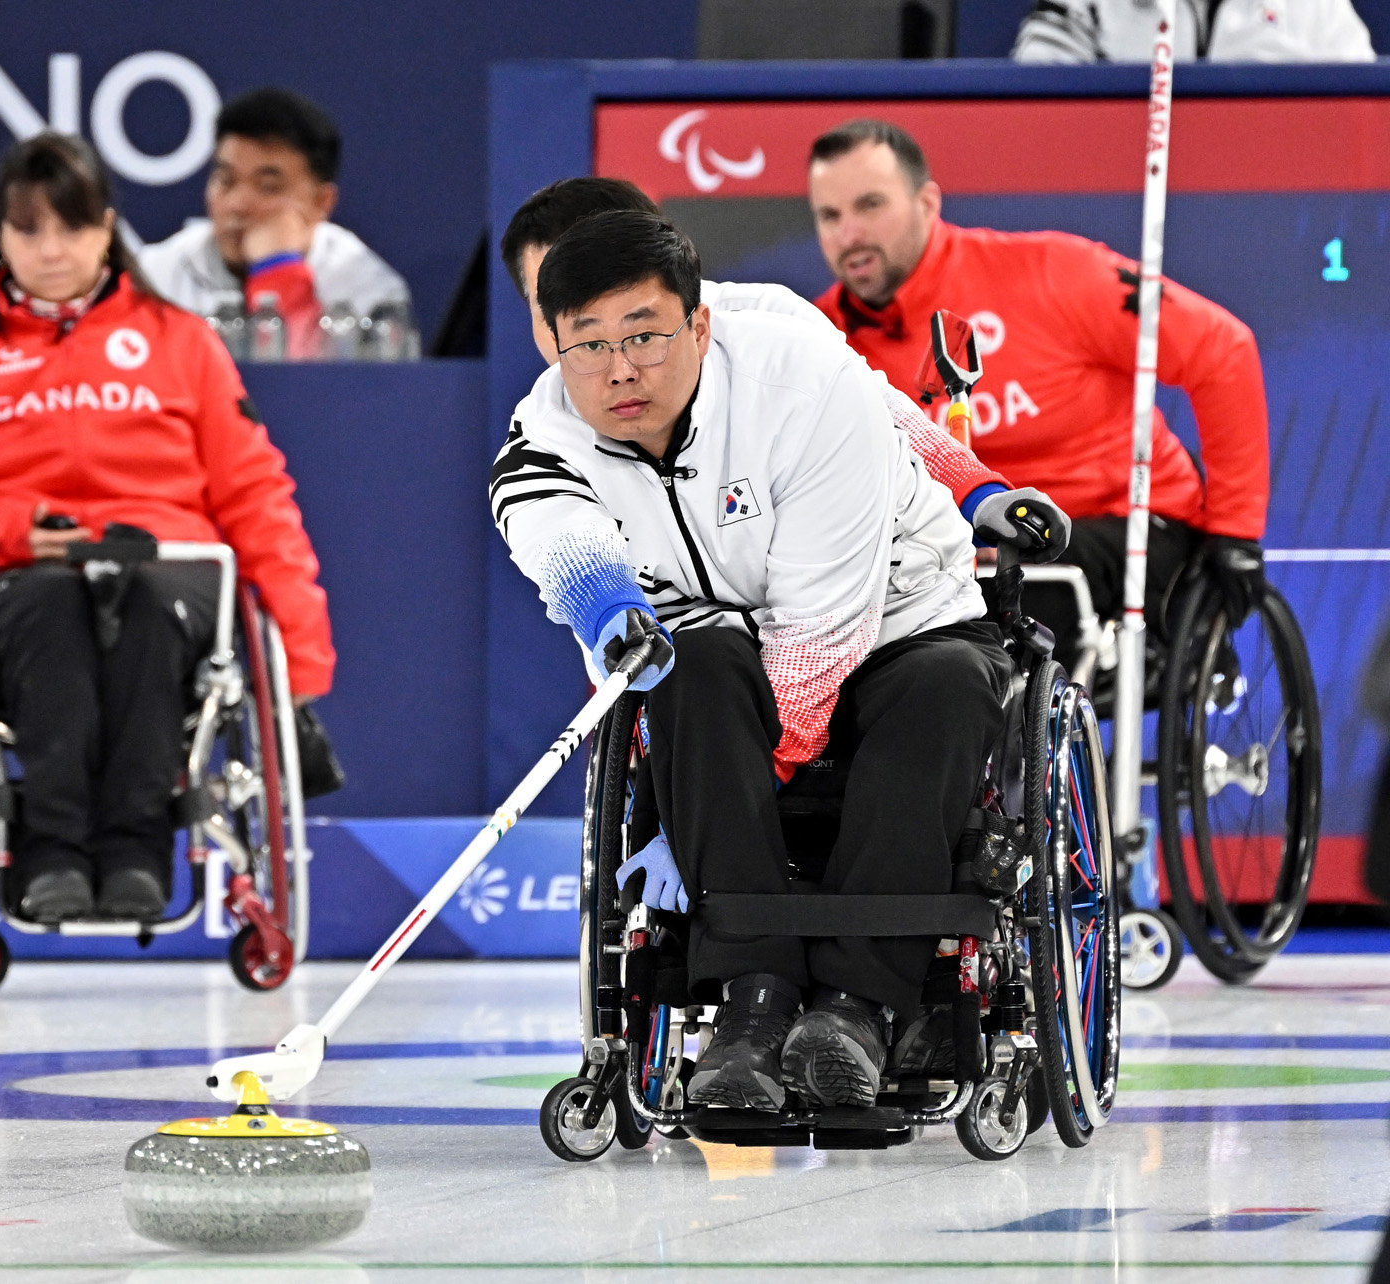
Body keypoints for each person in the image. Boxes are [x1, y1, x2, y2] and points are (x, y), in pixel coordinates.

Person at [491, 209, 1045, 1111]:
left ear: (697, 321)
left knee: (941, 693)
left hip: (902, 616)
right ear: (553, 342)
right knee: (682, 673)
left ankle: (860, 1009)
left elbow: (819, 633)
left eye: (644, 337)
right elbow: (553, 530)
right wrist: (609, 611)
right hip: (724, 629)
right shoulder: (547, 427)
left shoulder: (802, 380)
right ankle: (752, 1006)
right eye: (588, 346)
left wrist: (692, 800)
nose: (620, 368)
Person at [0, 133, 334, 925]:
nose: (52, 250)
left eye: (73, 227)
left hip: (164, 564)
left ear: (107, 228)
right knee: (54, 606)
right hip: (9, 576)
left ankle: (135, 856)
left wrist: (299, 660)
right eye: (28, 230)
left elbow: (255, 495)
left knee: (149, 604)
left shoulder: (181, 343)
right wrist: (15, 531)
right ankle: (48, 854)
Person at [807, 119, 1272, 670]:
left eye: (870, 206)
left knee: (1020, 578)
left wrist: (1236, 533)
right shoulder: (819, 335)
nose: (849, 234)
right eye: (829, 217)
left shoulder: (1054, 273)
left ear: (927, 203)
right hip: (961, 546)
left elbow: (1221, 350)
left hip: (1124, 522)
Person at [497, 176, 1070, 588]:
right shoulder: (548, 423)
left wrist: (977, 492)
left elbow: (878, 411)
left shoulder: (769, 324)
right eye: (557, 303)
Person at [137, 88, 412, 349]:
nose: (237, 205)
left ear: (321, 202)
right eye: (225, 180)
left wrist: (279, 272)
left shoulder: (369, 293)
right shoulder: (152, 277)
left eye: (268, 187)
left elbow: (322, 393)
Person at [1014, 0, 1373, 63]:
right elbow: (1036, 123)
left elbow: (1365, 129)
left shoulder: (1317, 6)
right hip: (1114, 231)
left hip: (1271, 221)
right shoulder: (1085, 5)